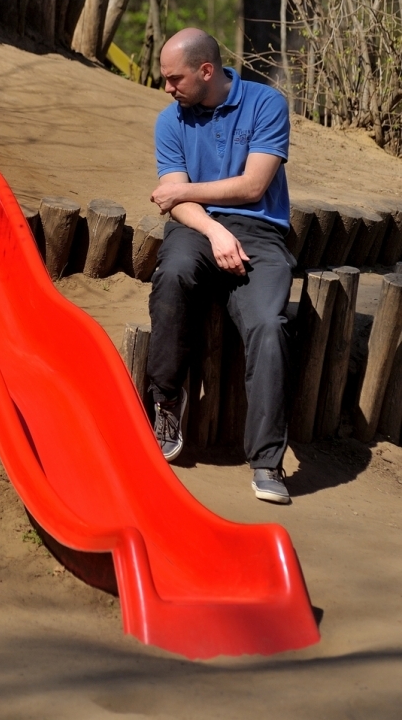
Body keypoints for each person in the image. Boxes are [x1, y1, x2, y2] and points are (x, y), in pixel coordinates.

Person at [146, 28, 295, 504]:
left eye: (175, 79)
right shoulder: (170, 121)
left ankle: (268, 462)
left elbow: (253, 187)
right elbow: (176, 205)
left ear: (206, 71)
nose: (168, 88)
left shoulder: (266, 104)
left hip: (260, 232)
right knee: (172, 275)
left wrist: (184, 192)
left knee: (270, 326)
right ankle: (167, 398)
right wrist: (213, 230)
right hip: (197, 227)